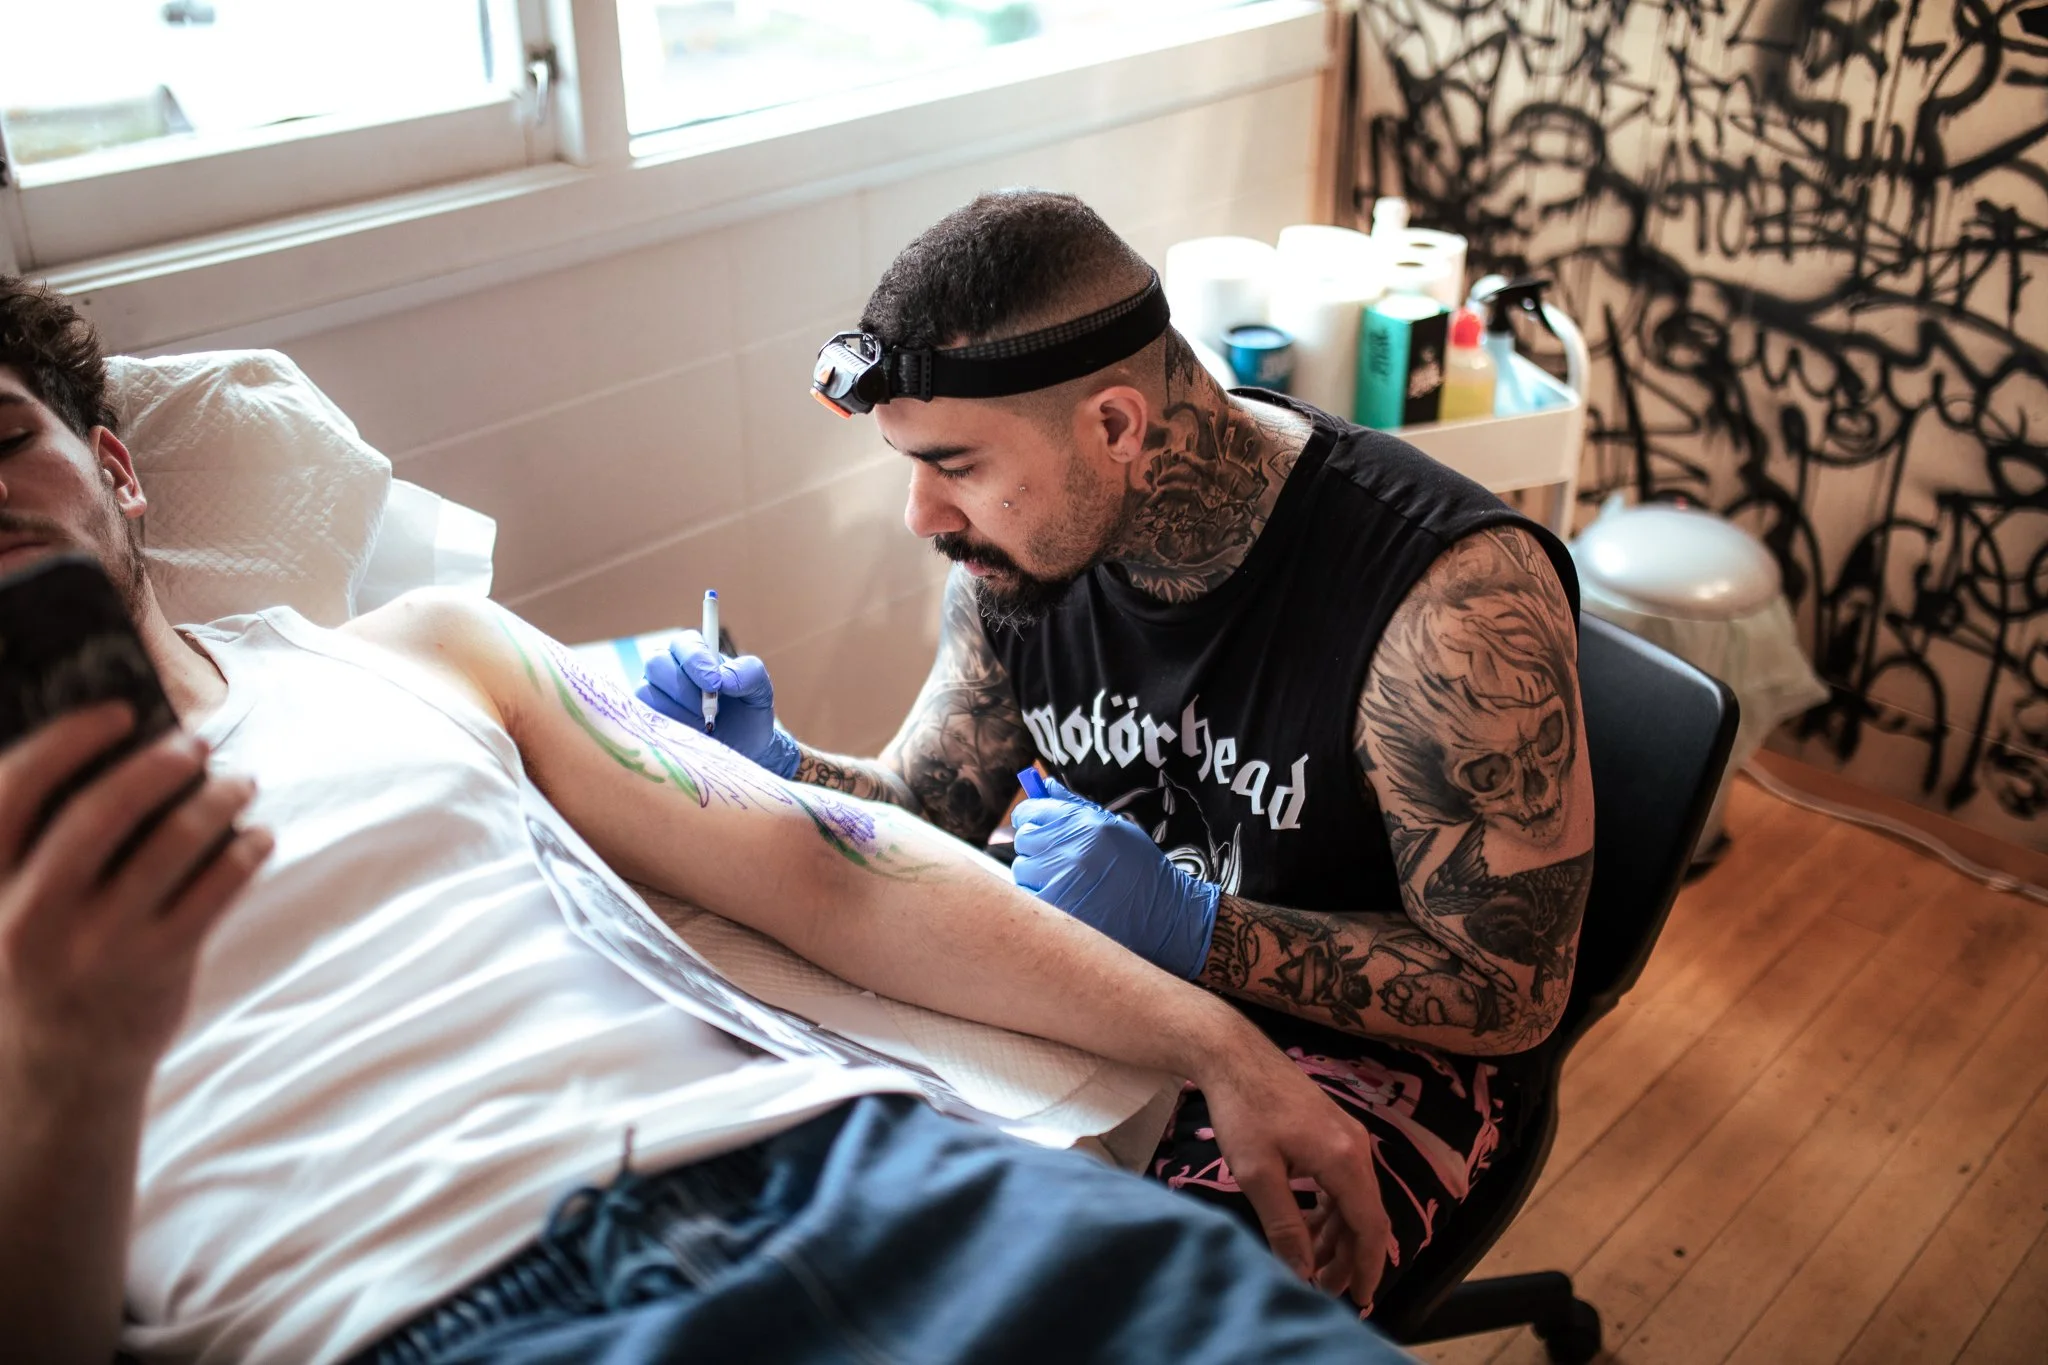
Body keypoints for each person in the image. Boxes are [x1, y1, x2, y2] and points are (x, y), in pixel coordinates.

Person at [0, 276, 1413, 1364]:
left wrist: (1215, 1035)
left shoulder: (419, 653)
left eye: (5, 440)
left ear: (120, 469)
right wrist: (69, 1058)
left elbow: (830, 869)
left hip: (861, 1172)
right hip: (419, 1316)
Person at [641, 190, 1595, 1309]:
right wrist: (776, 763)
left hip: (1370, 1050)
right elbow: (924, 806)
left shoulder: (1448, 609)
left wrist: (1200, 933)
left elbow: (1510, 992)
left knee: (1136, 1316)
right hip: (1097, 979)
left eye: (953, 465)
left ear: (1111, 427)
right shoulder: (1018, 561)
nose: (920, 517)